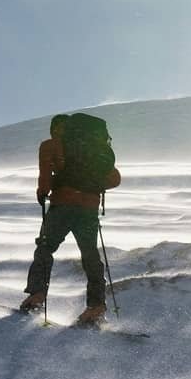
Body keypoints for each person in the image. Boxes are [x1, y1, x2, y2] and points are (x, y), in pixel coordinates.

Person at [19, 114, 122, 324]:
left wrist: (43, 191)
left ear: (57, 128)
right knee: (90, 256)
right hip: (89, 209)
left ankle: (37, 296)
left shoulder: (51, 145)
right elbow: (115, 179)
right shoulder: (95, 149)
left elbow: (45, 175)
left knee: (45, 248)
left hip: (63, 206)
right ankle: (96, 307)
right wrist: (91, 185)